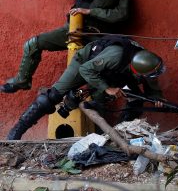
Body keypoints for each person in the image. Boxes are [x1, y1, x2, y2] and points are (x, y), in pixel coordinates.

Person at [0, 0, 130, 94]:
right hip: (72, 30)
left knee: (91, 73)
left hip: (97, 37)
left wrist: (90, 11)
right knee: (33, 44)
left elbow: (122, 14)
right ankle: (22, 81)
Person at [7, 35, 166, 140]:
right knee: (51, 97)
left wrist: (157, 98)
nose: (149, 78)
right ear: (136, 70)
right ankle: (15, 132)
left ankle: (117, 136)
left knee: (135, 99)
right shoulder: (116, 56)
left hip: (112, 71)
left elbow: (152, 85)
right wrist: (107, 88)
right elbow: (86, 69)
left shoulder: (147, 62)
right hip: (85, 63)